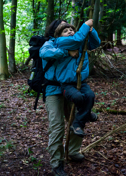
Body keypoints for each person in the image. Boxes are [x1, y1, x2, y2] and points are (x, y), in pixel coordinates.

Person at [39, 19, 85, 176]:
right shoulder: (50, 43)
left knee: (76, 120)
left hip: (70, 87)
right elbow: (44, 53)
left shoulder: (73, 43)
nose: (67, 28)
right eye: (62, 26)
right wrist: (65, 52)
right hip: (53, 89)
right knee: (57, 126)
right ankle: (57, 162)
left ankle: (73, 151)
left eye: (68, 26)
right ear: (55, 30)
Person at [53, 19, 100, 138]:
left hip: (81, 81)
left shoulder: (79, 43)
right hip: (67, 84)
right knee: (78, 97)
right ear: (59, 35)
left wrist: (91, 30)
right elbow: (76, 39)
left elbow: (95, 43)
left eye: (71, 30)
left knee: (90, 96)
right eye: (65, 31)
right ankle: (86, 113)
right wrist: (85, 25)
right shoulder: (61, 42)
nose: (69, 32)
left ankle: (78, 123)